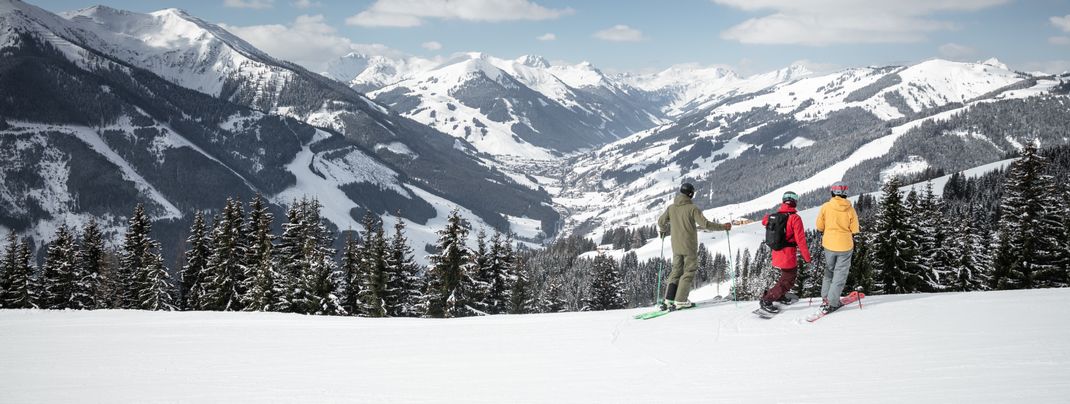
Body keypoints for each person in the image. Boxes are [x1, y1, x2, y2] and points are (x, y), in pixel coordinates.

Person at [657, 183, 732, 310]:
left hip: (676, 245)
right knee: (689, 271)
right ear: (691, 194)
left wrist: (663, 231)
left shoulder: (671, 208)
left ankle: (669, 299)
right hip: (689, 246)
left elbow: (661, 221)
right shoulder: (692, 208)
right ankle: (680, 300)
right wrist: (723, 227)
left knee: (676, 271)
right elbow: (705, 224)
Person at [758, 191, 811, 315]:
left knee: (784, 277)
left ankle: (779, 296)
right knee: (789, 279)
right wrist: (807, 258)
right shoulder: (794, 218)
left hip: (777, 253)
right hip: (788, 255)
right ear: (794, 202)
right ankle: (767, 299)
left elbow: (764, 221)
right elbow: (801, 241)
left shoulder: (775, 216)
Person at [815, 181, 860, 315]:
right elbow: (855, 229)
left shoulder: (825, 207)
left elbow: (819, 226)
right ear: (846, 193)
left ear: (832, 192)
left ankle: (825, 297)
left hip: (829, 244)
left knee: (829, 270)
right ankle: (833, 302)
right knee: (840, 274)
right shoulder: (850, 209)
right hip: (845, 245)